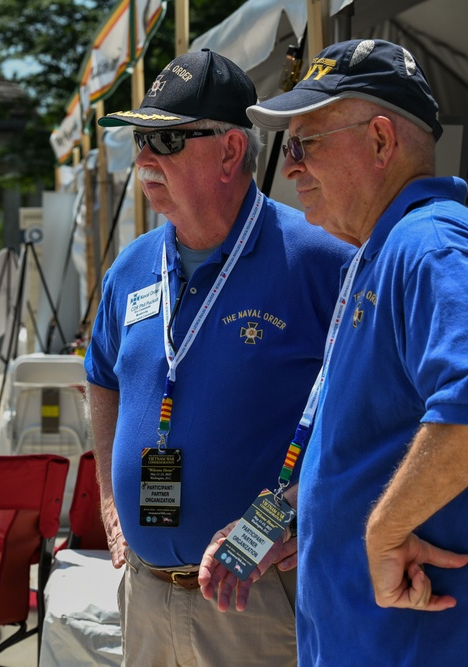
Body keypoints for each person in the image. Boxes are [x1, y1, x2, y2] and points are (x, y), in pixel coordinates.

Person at [241, 38, 468, 664]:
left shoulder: (428, 241)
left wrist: (383, 530)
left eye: (306, 144)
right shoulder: (388, 248)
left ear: (382, 141)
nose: (291, 168)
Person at [84, 49, 352, 667]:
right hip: (146, 591)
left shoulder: (320, 260)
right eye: (141, 137)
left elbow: (374, 407)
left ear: (232, 151)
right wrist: (106, 496)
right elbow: (100, 376)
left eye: (169, 139)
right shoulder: (131, 267)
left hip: (258, 599)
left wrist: (298, 513)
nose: (145, 158)